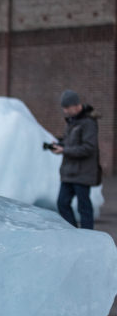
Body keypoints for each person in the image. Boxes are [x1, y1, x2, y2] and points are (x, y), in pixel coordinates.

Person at [50, 89, 100, 229]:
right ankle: (74, 233)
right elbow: (70, 143)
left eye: (66, 107)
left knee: (84, 207)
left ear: (75, 105)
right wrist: (59, 145)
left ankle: (88, 237)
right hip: (69, 173)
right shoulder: (72, 122)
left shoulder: (88, 123)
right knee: (62, 203)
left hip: (83, 173)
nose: (65, 111)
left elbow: (89, 148)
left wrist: (65, 150)